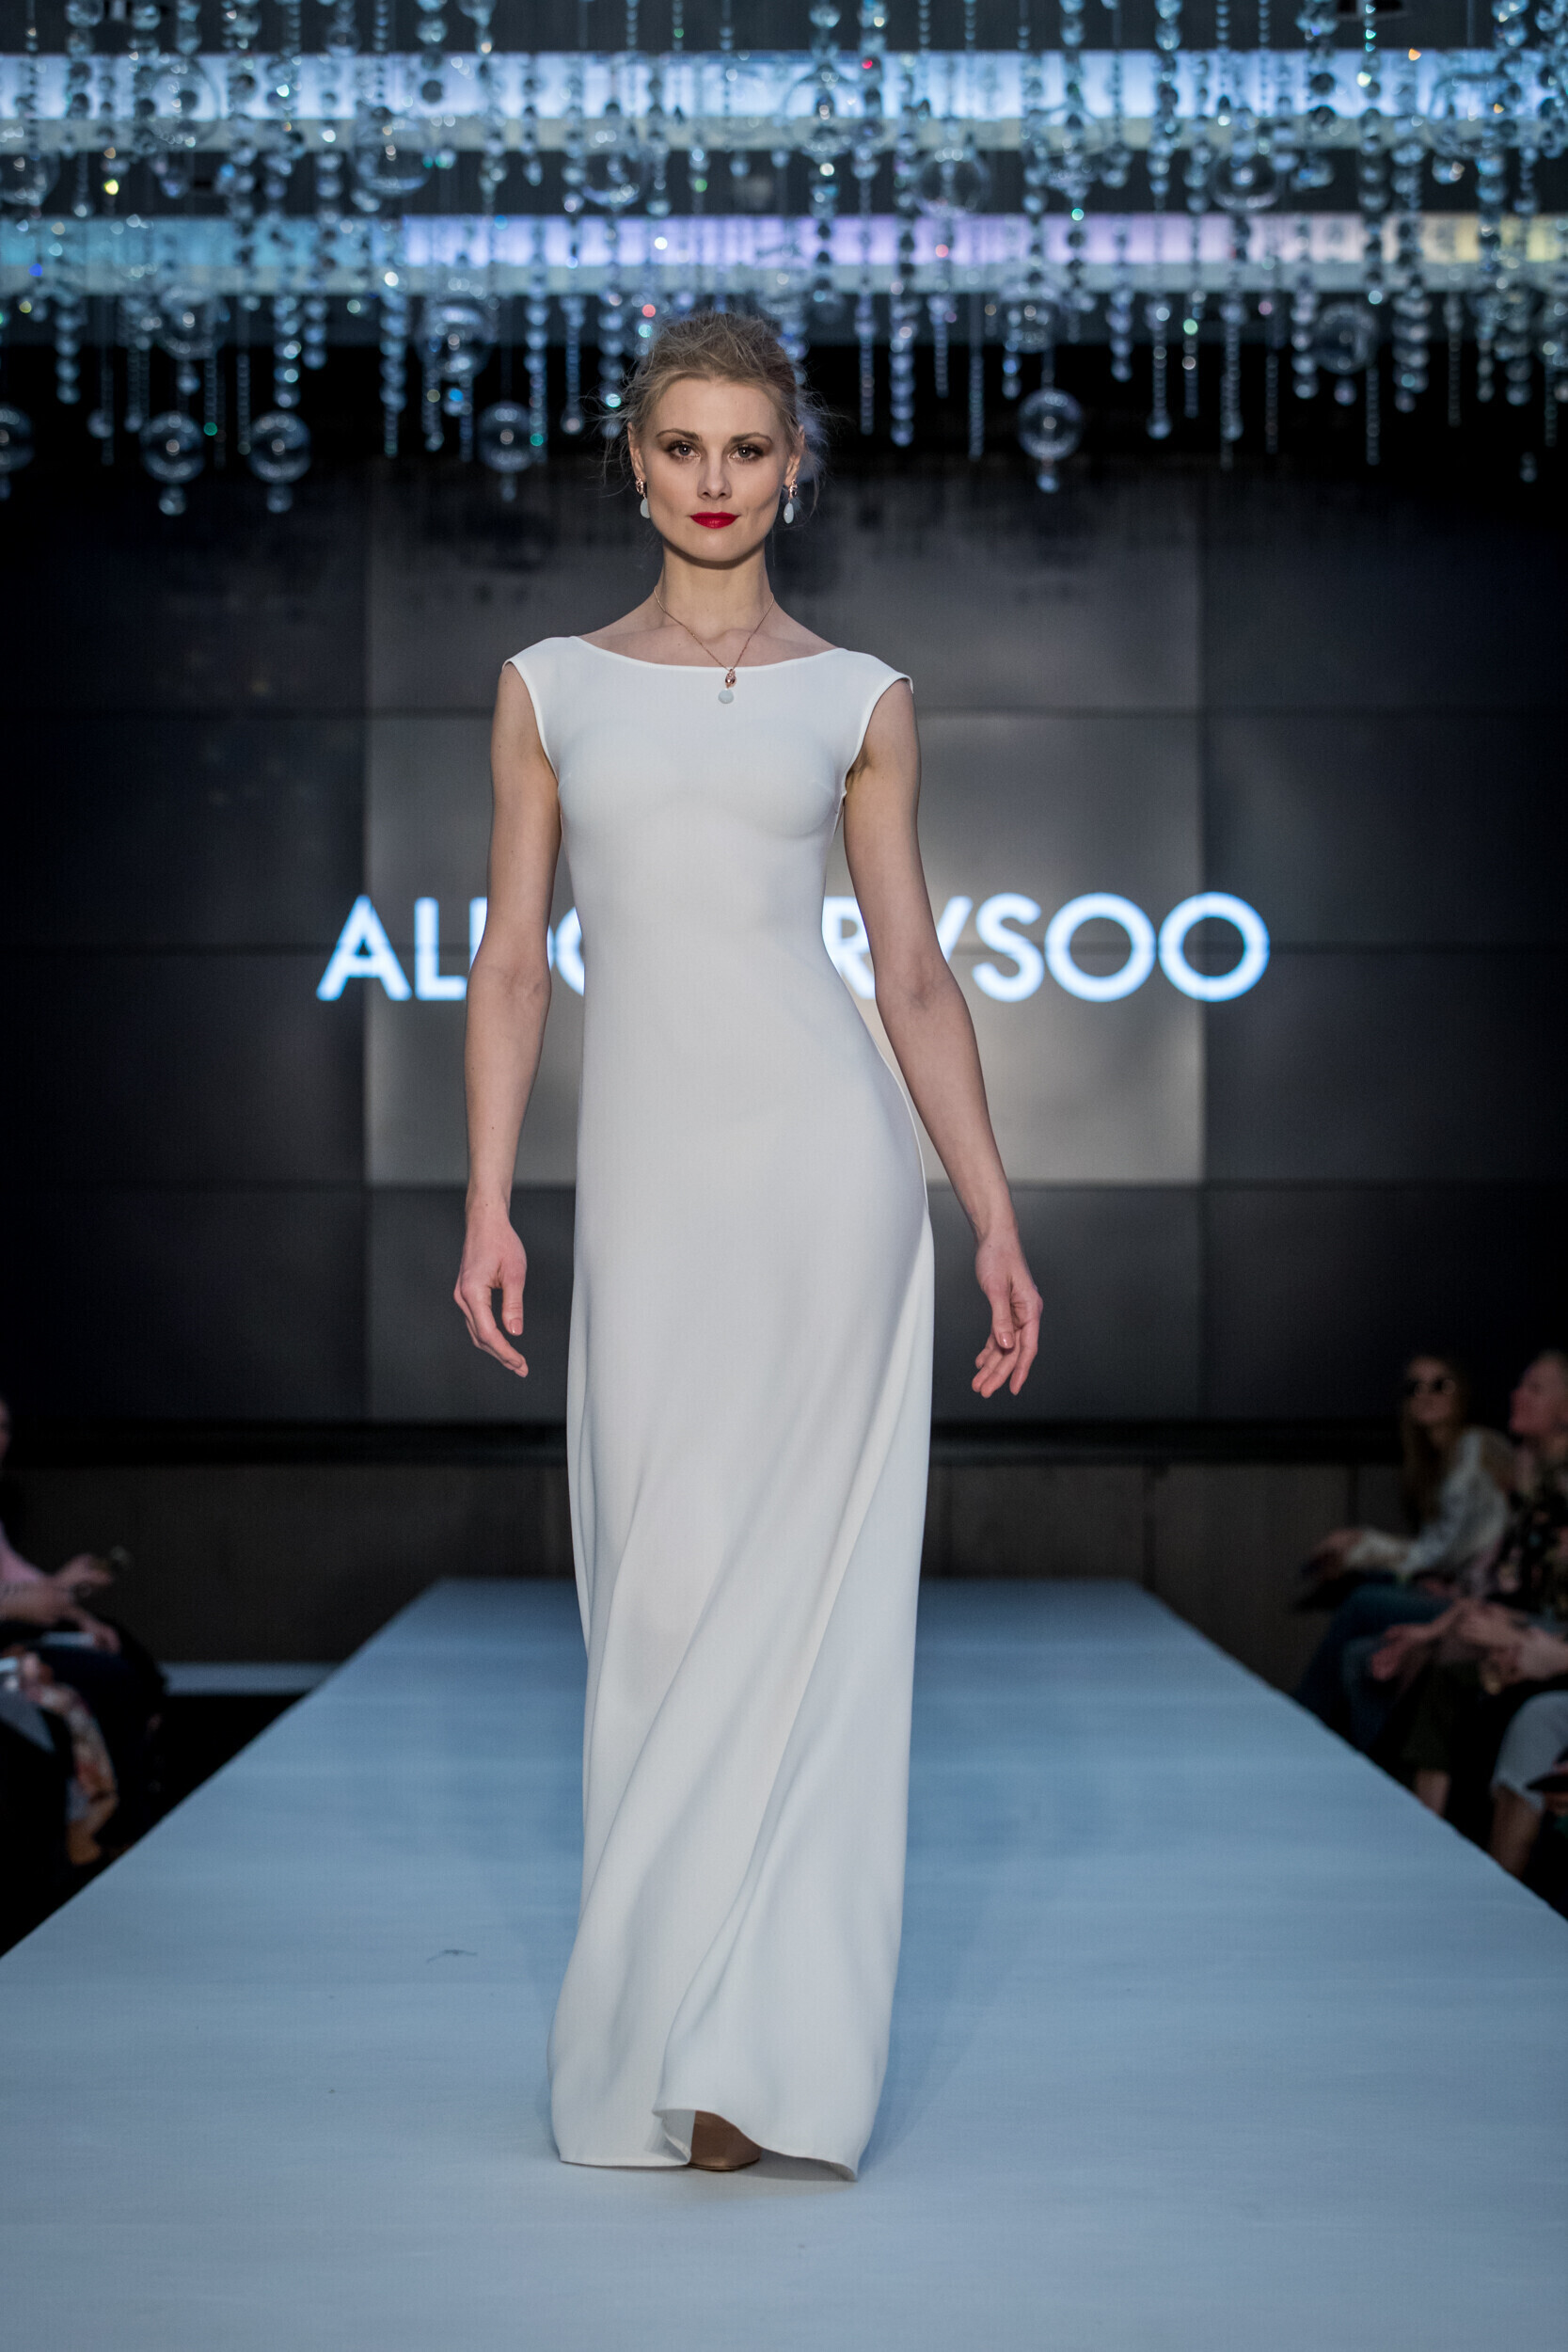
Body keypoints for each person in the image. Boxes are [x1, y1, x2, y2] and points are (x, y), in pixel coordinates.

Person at [454, 311, 1041, 2178]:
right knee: (656, 1594)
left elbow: (914, 975)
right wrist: (485, 1200)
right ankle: (659, 2033)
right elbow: (509, 964)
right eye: (682, 446)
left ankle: (751, 2060)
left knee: (807, 1612)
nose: (714, 480)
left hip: (824, 1183)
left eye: (747, 448)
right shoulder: (546, 686)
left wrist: (990, 1212)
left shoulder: (857, 697)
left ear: (795, 468)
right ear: (632, 464)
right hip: (647, 1192)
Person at [1367, 1350, 1568, 1826]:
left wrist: (1523, 1637)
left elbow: (1514, 1584)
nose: (1517, 1396)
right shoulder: (1530, 1476)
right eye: (1414, 1387)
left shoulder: (1521, 1472)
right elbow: (1503, 1577)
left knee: (1421, 1642)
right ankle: (1407, 1811)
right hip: (1516, 1616)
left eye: (1535, 1389)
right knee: (1405, 1647)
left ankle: (1408, 1814)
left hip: (1542, 1630)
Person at [1293, 1354, 1508, 1748]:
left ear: (1462, 1393)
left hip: (1484, 1601)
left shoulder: (1474, 1449)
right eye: (1415, 1387)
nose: (1426, 1395)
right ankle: (1358, 1753)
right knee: (1361, 1647)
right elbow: (1441, 1551)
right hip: (1462, 1589)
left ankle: (1301, 1723)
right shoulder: (1435, 1461)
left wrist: (1359, 1547)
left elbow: (1445, 1552)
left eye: (1440, 1384)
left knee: (1362, 1600)